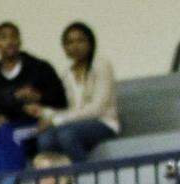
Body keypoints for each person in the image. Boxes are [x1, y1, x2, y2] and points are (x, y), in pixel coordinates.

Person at [0, 22, 67, 163]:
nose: (9, 41)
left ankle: (10, 177)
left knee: (10, 134)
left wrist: (39, 97)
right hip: (9, 127)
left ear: (19, 41)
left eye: (13, 37)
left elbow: (62, 100)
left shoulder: (40, 68)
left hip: (40, 124)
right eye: (3, 37)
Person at [32, 23, 119, 162]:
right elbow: (66, 109)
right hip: (73, 124)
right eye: (70, 42)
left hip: (102, 123)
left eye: (80, 40)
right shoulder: (66, 74)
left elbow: (97, 108)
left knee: (66, 135)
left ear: (90, 43)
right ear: (64, 48)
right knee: (45, 138)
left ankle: (86, 173)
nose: (75, 46)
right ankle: (58, 174)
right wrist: (43, 112)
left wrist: (57, 120)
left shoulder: (101, 65)